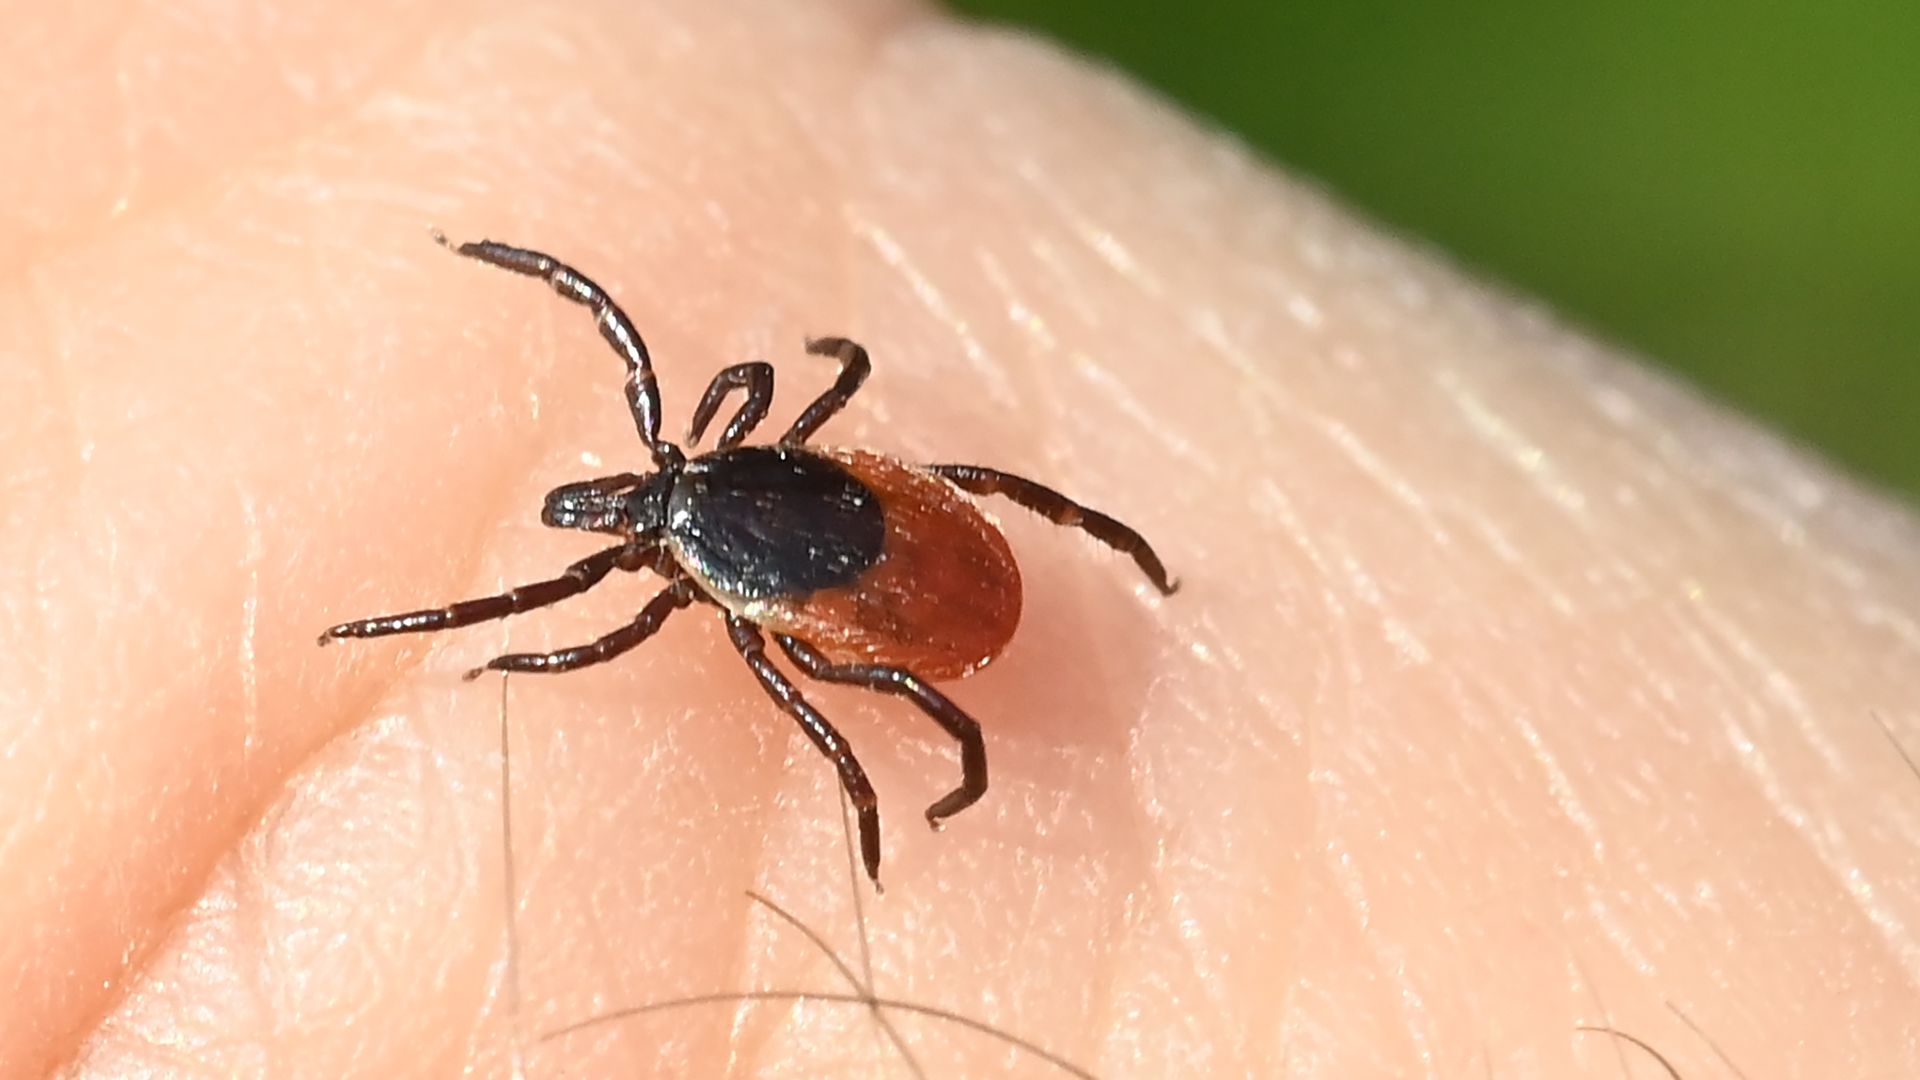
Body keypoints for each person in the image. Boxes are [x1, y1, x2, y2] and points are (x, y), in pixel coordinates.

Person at [6, 1, 1916, 1075]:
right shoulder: (768, 486)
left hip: (912, 593)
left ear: (700, 509)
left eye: (647, 504)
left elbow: (632, 622)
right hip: (906, 574)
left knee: (880, 678)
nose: (631, 505)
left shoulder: (715, 596)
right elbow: (817, 406)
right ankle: (1069, 626)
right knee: (941, 601)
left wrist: (495, 636)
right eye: (646, 504)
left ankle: (1022, 681)